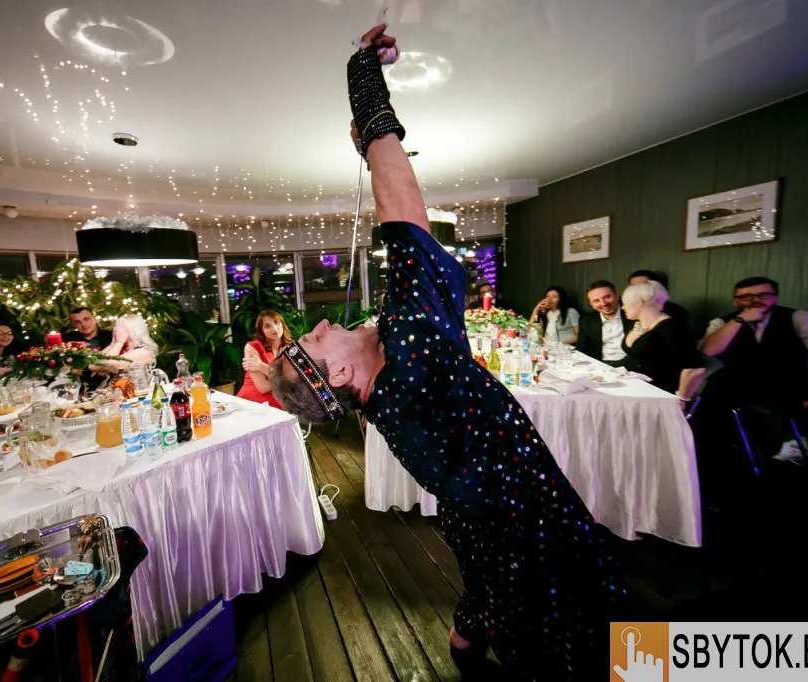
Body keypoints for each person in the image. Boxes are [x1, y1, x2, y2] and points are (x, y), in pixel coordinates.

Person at [267, 24, 624, 679]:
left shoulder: (389, 388)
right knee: (577, 632)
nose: (317, 324)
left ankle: (465, 639)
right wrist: (365, 89)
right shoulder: (411, 349)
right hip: (529, 523)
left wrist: (368, 144)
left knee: (492, 586)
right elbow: (404, 219)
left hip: (474, 520)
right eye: (313, 339)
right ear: (338, 372)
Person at [698, 276, 808, 503]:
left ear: (775, 297)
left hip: (788, 389)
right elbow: (708, 351)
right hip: (736, 391)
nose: (755, 300)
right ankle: (717, 485)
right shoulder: (722, 322)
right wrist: (740, 320)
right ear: (735, 301)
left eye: (763, 295)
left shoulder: (798, 318)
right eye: (746, 296)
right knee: (707, 414)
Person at [619, 281, 705, 399]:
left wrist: (681, 399)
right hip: (633, 384)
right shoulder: (636, 322)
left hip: (656, 392)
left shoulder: (670, 328)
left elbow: (695, 369)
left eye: (625, 303)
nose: (622, 307)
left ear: (639, 302)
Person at [237, 310, 291, 408]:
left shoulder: (290, 348)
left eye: (276, 322)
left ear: (282, 324)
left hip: (281, 404)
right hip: (252, 403)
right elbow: (263, 387)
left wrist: (260, 366)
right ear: (262, 331)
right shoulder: (252, 347)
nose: (274, 328)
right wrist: (286, 381)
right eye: (267, 326)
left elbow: (295, 381)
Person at [576, 280, 634, 365]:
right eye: (596, 301)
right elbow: (582, 349)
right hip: (602, 365)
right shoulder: (586, 321)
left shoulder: (634, 315)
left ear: (616, 295)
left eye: (607, 297)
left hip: (631, 364)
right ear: (591, 304)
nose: (603, 303)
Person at [65, 307, 113, 390]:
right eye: (77, 322)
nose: (83, 324)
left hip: (111, 384)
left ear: (94, 318)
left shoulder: (111, 336)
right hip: (80, 388)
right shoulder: (67, 341)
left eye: (86, 319)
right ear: (73, 325)